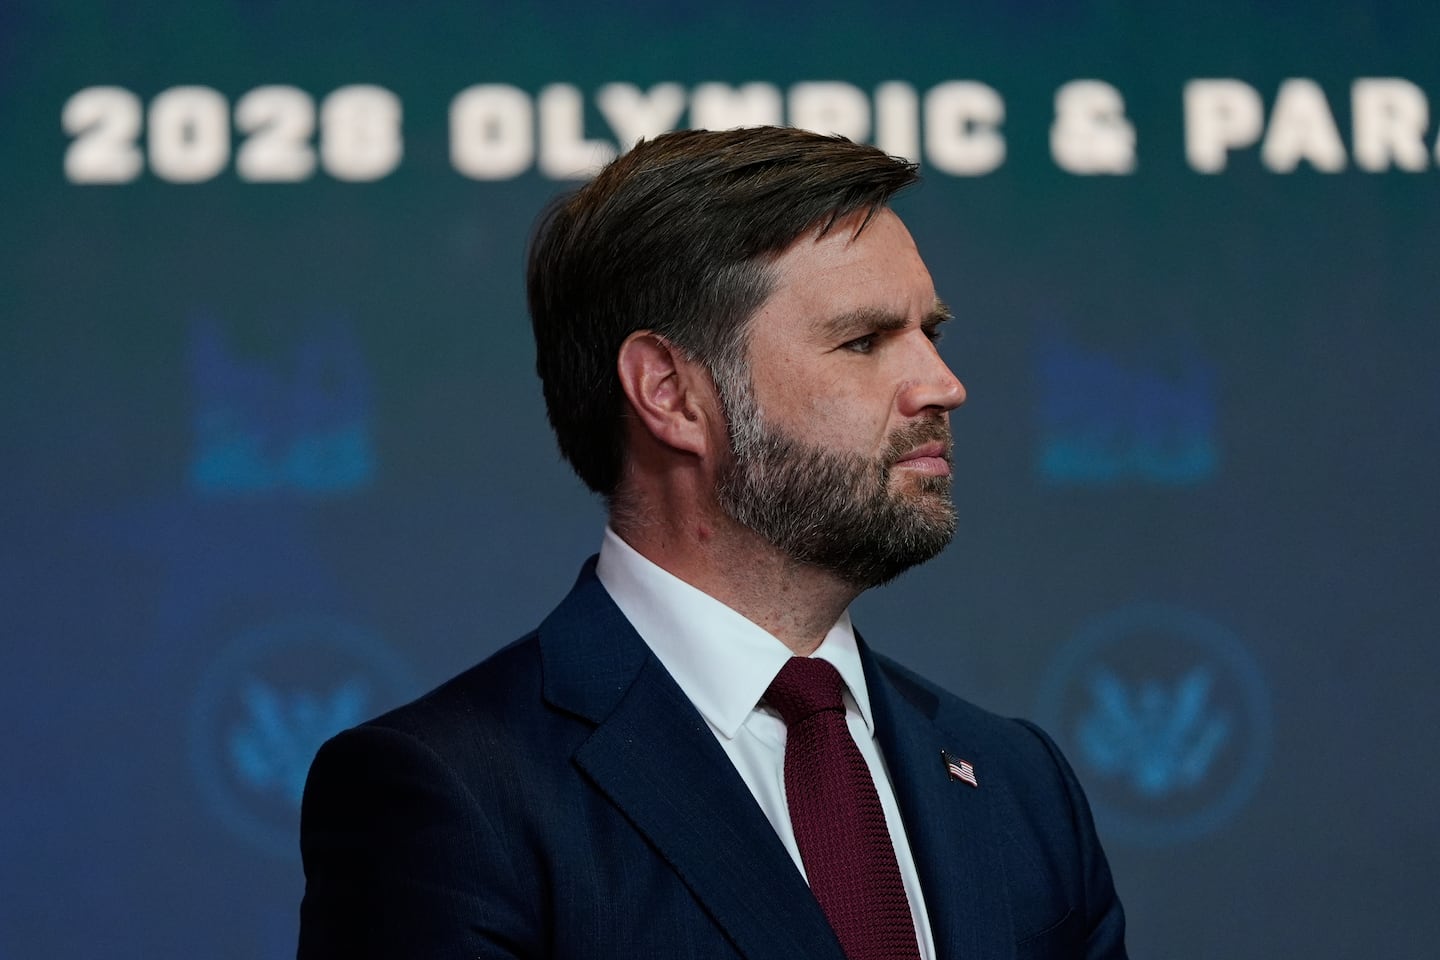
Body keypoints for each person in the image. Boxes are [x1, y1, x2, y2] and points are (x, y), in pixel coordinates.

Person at [298, 126, 1127, 960]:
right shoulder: (454, 794)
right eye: (864, 341)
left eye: (931, 334)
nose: (944, 386)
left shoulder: (1020, 784)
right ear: (671, 394)